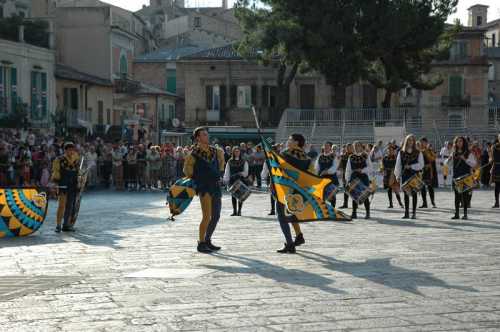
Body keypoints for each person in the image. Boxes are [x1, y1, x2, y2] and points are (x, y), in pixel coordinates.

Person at [183, 127, 225, 253]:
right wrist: (196, 178)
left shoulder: (216, 151)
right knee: (206, 216)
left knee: (216, 216)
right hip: (204, 187)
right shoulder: (193, 154)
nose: (207, 136)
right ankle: (201, 243)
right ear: (198, 138)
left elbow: (221, 164)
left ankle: (207, 240)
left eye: (207, 134)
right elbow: (187, 171)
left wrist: (219, 174)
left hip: (216, 186)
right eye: (204, 135)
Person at [273, 134, 311, 253]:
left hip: (284, 190)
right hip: (297, 192)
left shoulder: (285, 155)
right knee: (291, 213)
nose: (287, 141)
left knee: (282, 216)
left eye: (290, 139)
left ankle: (290, 244)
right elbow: (311, 176)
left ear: (296, 142)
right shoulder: (307, 158)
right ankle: (299, 236)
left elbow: (278, 169)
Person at [51, 142, 81, 232]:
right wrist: (56, 184)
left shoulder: (76, 159)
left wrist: (79, 181)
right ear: (65, 150)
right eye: (69, 150)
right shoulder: (59, 159)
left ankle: (66, 225)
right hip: (63, 184)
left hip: (73, 184)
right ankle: (58, 225)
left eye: (72, 149)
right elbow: (56, 172)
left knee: (70, 206)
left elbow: (78, 171)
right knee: (61, 205)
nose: (71, 151)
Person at [394, 135, 424, 219]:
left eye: (412, 140)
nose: (410, 142)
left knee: (414, 193)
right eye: (409, 140)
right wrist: (397, 175)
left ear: (414, 141)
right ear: (406, 141)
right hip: (405, 175)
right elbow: (398, 165)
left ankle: (413, 213)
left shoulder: (418, 152)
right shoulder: (401, 152)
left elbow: (421, 165)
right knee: (406, 194)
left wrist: (411, 166)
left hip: (414, 175)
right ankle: (406, 213)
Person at [448, 136, 477, 220]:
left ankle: (465, 214)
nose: (459, 143)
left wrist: (465, 159)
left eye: (461, 141)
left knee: (465, 196)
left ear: (464, 142)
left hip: (465, 177)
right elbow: (448, 164)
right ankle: (456, 214)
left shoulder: (468, 153)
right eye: (458, 141)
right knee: (457, 196)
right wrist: (448, 160)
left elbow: (473, 164)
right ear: (455, 143)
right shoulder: (454, 152)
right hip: (456, 176)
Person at [345, 141, 372, 219]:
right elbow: (348, 169)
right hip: (354, 177)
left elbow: (370, 168)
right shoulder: (351, 156)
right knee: (354, 195)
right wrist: (347, 179)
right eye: (355, 146)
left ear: (361, 146)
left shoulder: (365, 155)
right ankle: (354, 213)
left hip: (363, 177)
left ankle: (367, 213)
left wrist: (362, 170)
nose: (357, 147)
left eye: (358, 146)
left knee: (365, 195)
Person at [223, 146, 249, 216]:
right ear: (233, 152)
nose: (237, 153)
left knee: (240, 196)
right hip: (232, 180)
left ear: (240, 152)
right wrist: (226, 180)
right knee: (233, 195)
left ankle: (239, 211)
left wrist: (240, 173)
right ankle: (234, 211)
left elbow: (246, 172)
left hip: (241, 180)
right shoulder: (230, 161)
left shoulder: (244, 161)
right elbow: (227, 171)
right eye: (235, 151)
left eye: (238, 151)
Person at [315, 141, 339, 207]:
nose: (326, 147)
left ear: (330, 148)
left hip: (331, 178)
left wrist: (327, 171)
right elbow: (317, 167)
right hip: (321, 178)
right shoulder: (320, 156)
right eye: (325, 146)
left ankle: (333, 209)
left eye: (327, 146)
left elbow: (335, 167)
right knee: (321, 195)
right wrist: (316, 175)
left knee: (332, 196)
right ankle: (324, 210)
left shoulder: (333, 156)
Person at [382, 144, 403, 208]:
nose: (390, 151)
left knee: (396, 190)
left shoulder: (396, 158)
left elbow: (398, 166)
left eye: (391, 150)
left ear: (394, 151)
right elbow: (382, 166)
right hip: (387, 175)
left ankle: (400, 203)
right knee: (389, 189)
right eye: (389, 150)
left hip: (394, 174)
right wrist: (382, 170)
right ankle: (391, 204)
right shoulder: (385, 158)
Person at [419, 137, 437, 208]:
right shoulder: (419, 151)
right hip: (422, 171)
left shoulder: (429, 150)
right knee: (422, 187)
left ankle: (433, 202)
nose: (421, 144)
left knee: (430, 186)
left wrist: (428, 164)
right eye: (421, 142)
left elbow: (433, 158)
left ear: (426, 143)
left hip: (429, 171)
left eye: (423, 142)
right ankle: (424, 203)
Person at [339, 144, 354, 209]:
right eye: (348, 147)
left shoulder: (354, 155)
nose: (349, 149)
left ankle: (355, 204)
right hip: (345, 174)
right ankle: (345, 204)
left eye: (350, 147)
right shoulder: (343, 156)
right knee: (346, 189)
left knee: (354, 190)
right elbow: (341, 166)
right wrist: (342, 175)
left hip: (353, 174)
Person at [490, 134, 500, 208]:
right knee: (497, 186)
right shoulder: (494, 147)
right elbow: (491, 158)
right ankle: (497, 202)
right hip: (496, 167)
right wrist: (490, 160)